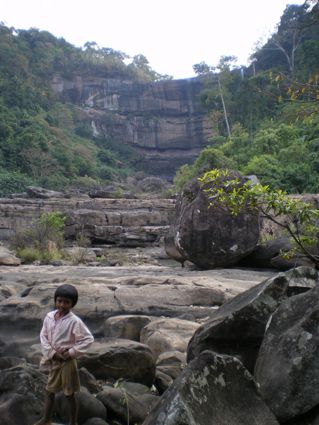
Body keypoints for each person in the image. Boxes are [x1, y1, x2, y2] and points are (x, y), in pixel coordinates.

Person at [34, 284, 94, 425]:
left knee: (69, 394)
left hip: (67, 362)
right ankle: (46, 419)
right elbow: (43, 336)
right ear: (55, 300)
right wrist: (52, 353)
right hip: (55, 360)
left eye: (66, 302)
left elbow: (88, 339)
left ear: (72, 304)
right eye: (59, 301)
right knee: (49, 391)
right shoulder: (49, 317)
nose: (62, 304)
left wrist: (70, 353)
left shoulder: (74, 321)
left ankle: (73, 422)